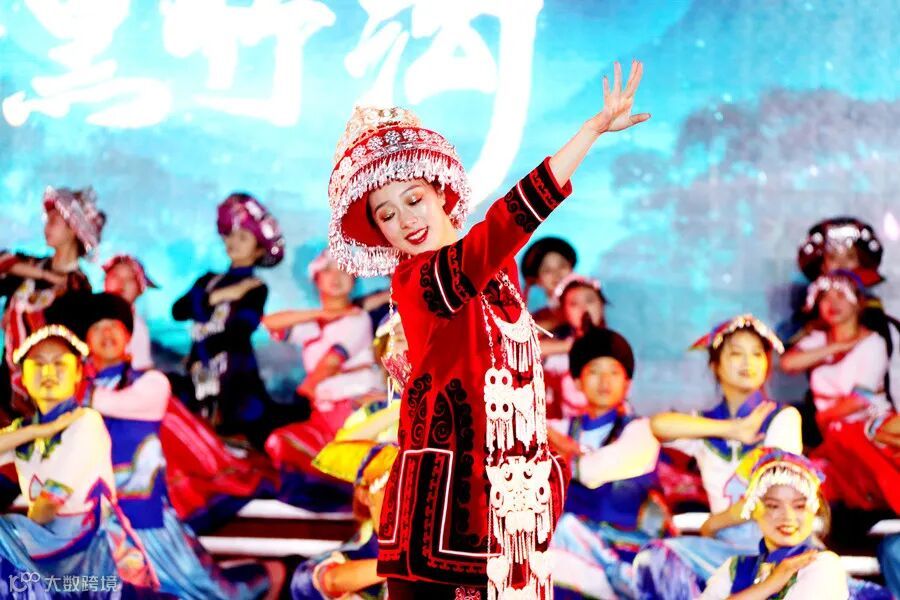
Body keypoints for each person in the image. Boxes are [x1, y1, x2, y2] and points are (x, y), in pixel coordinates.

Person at [326, 59, 649, 598]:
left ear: (439, 192)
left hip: (504, 486)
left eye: (413, 199)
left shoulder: (492, 271)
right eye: (386, 215)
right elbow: (505, 224)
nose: (406, 220)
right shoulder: (419, 278)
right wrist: (588, 134)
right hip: (450, 496)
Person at [633, 315, 803, 599]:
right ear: (715, 364)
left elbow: (775, 496)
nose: (748, 362)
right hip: (726, 550)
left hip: (776, 545)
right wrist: (732, 429)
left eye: (757, 354)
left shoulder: (781, 418)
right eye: (736, 353)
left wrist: (714, 523)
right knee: (656, 559)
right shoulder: (706, 423)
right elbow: (658, 426)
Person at [0, 324, 157, 592]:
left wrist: (19, 545)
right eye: (38, 364)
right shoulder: (26, 430)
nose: (48, 373)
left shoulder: (86, 422)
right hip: (55, 549)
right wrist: (39, 431)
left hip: (92, 560)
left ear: (78, 373)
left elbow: (47, 507)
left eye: (59, 363)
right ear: (22, 377)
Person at [547, 328, 669, 599]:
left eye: (614, 372)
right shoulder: (561, 428)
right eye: (594, 372)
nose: (604, 381)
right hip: (571, 559)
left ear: (627, 384)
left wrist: (559, 445)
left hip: (631, 558)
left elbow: (591, 472)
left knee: (563, 530)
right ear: (577, 382)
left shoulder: (642, 431)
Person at [172, 192, 286, 449]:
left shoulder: (255, 287)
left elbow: (240, 332)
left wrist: (202, 351)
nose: (234, 241)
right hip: (199, 373)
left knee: (236, 438)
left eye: (243, 237)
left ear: (259, 249)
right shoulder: (208, 280)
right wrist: (218, 296)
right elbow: (178, 311)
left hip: (235, 377)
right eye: (231, 235)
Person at [781, 270, 900, 512]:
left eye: (841, 296)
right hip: (833, 432)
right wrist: (835, 347)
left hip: (867, 422)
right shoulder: (818, 339)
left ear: (859, 303)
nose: (832, 303)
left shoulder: (873, 342)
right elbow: (788, 364)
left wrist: (823, 418)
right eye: (825, 297)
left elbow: (860, 399)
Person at [264, 250, 382, 474]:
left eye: (344, 270)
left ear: (354, 279)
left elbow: (330, 363)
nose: (336, 277)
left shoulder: (358, 318)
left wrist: (303, 392)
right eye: (327, 270)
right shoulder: (313, 325)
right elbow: (270, 323)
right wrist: (319, 314)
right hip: (324, 414)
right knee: (280, 442)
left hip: (356, 409)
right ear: (316, 278)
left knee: (343, 464)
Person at [0, 187, 101, 419]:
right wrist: (44, 275)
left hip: (43, 390)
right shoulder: (31, 266)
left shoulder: (78, 286)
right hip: (5, 381)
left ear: (73, 228)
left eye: (54, 221)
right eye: (47, 221)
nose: (47, 227)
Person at [699, 448, 848, 599]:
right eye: (773, 506)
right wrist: (768, 586)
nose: (788, 516)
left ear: (813, 510)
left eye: (799, 506)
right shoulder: (735, 568)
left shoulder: (823, 566)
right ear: (753, 509)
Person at [290, 440, 398, 600]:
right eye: (390, 486)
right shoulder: (354, 555)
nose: (402, 497)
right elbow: (316, 583)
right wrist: (400, 566)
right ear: (365, 495)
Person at [542, 273, 609, 417]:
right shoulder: (557, 347)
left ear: (602, 305)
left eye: (590, 300)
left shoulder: (613, 346)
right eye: (573, 304)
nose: (583, 308)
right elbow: (528, 349)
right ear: (563, 311)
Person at [103, 254, 158, 370]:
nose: (121, 283)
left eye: (130, 279)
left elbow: (141, 370)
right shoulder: (85, 315)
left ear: (140, 289)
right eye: (115, 276)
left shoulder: (138, 328)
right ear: (105, 280)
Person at [520, 236, 577, 331]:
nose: (557, 274)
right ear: (537, 280)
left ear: (571, 268)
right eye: (547, 270)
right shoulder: (534, 321)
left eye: (562, 266)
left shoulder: (590, 301)